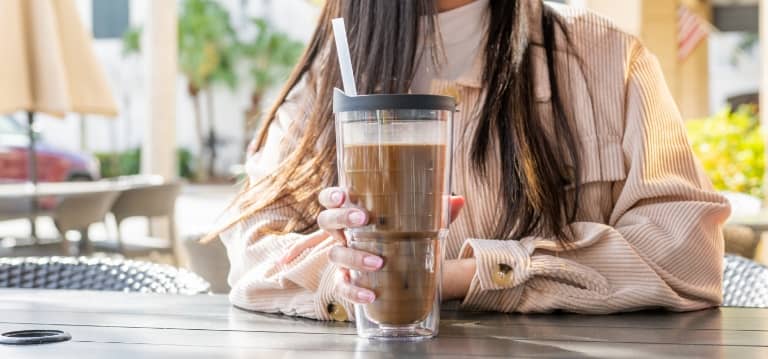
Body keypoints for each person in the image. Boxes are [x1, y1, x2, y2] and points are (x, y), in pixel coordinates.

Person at [213, 0, 731, 321]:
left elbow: (686, 257)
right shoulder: (329, 77)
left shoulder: (608, 60)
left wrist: (463, 276)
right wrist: (345, 273)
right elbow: (254, 257)